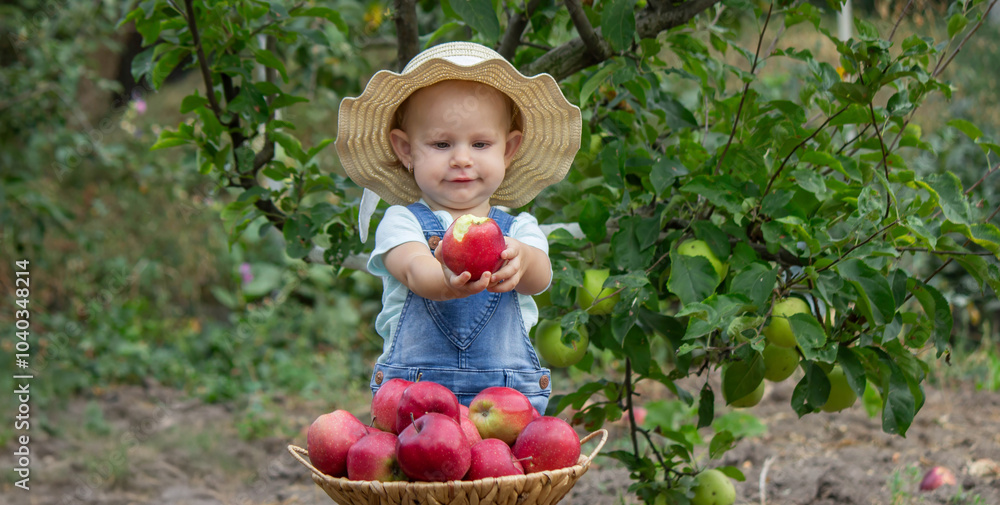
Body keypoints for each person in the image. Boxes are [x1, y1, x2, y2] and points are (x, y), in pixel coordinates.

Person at [335, 41, 581, 414]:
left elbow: (540, 277)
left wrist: (523, 261)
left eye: (481, 143)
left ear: (509, 150)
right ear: (406, 150)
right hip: (416, 411)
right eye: (441, 143)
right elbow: (416, 269)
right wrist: (447, 282)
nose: (462, 159)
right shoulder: (402, 222)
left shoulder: (519, 230)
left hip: (507, 411)